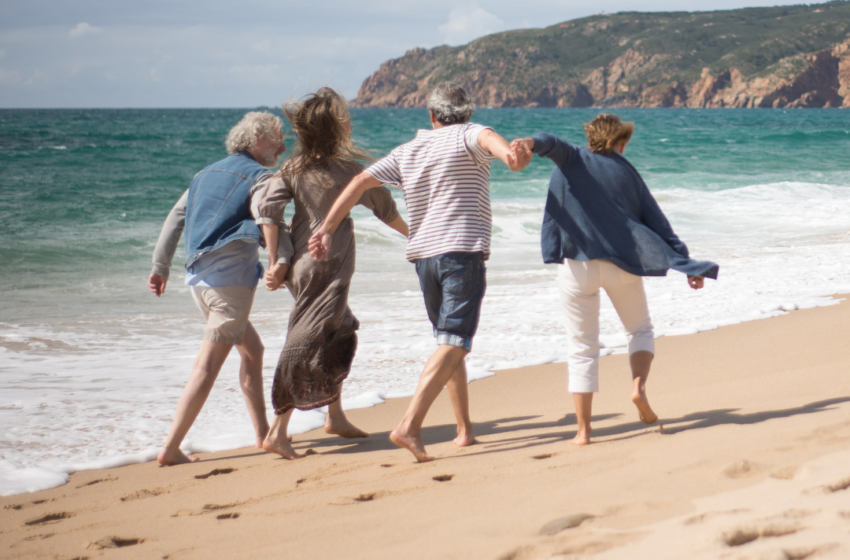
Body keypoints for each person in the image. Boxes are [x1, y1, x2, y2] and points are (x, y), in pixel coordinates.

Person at [309, 82, 531, 462]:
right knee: (455, 341)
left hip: (424, 257)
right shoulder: (475, 133)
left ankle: (464, 431)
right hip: (460, 252)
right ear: (468, 113)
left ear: (430, 116)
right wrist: (520, 154)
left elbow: (359, 182)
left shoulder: (408, 150)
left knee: (448, 343)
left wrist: (325, 228)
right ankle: (408, 426)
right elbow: (510, 159)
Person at [511, 114, 719, 446]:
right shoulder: (628, 173)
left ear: (590, 137)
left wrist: (529, 144)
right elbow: (659, 224)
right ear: (620, 142)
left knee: (581, 349)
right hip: (621, 265)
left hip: (577, 268)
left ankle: (583, 432)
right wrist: (689, 265)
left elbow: (549, 142)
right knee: (639, 330)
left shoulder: (572, 157)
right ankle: (637, 387)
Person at [255, 88, 409, 460]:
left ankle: (335, 416)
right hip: (328, 267)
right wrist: (414, 234)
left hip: (303, 269)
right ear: (335, 129)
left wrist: (278, 259)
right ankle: (277, 431)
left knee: (340, 331)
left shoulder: (292, 169)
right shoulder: (348, 171)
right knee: (305, 340)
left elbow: (268, 210)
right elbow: (385, 208)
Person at [147, 111, 292, 466]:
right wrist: (280, 261)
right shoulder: (261, 176)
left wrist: (159, 267)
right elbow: (268, 215)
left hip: (199, 282)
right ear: (257, 139)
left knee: (252, 350)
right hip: (229, 284)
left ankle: (261, 434)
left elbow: (176, 218)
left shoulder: (203, 173)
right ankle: (170, 448)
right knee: (206, 367)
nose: (284, 146)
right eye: (278, 138)